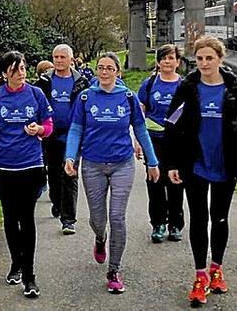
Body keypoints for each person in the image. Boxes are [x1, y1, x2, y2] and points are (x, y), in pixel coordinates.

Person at [163, 36, 237, 307]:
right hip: (194, 163)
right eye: (200, 58)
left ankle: (216, 267)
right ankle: (200, 275)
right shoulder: (187, 89)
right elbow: (172, 125)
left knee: (219, 217)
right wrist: (171, 163)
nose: (204, 63)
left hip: (225, 164)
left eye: (209, 58)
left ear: (220, 59)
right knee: (198, 217)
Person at [63, 52, 160, 295]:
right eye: (101, 68)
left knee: (117, 217)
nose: (104, 72)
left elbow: (140, 129)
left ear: (118, 72)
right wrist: (70, 157)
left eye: (109, 68)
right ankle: (99, 238)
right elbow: (76, 129)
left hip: (122, 164)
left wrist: (152, 161)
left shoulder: (128, 97)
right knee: (98, 219)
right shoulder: (86, 97)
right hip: (93, 164)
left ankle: (114, 270)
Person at [0, 51, 54, 299]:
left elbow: (49, 126)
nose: (21, 73)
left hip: (30, 165)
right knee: (10, 218)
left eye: (22, 68)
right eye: (15, 69)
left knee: (26, 217)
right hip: (4, 167)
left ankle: (30, 276)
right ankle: (16, 263)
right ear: (4, 74)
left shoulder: (36, 94)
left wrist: (39, 129)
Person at [35, 44, 90, 234]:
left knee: (70, 173)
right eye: (56, 57)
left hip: (73, 134)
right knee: (54, 173)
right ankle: (57, 202)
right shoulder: (44, 82)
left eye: (62, 57)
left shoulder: (81, 82)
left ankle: (69, 220)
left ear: (71, 60)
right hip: (50, 133)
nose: (58, 61)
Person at [137, 44, 185, 243]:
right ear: (158, 62)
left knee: (176, 182)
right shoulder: (149, 84)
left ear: (178, 62)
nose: (167, 61)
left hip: (177, 141)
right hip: (153, 139)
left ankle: (175, 224)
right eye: (163, 58)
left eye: (171, 58)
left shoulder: (184, 85)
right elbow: (140, 111)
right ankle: (158, 223)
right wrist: (139, 141)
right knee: (154, 181)